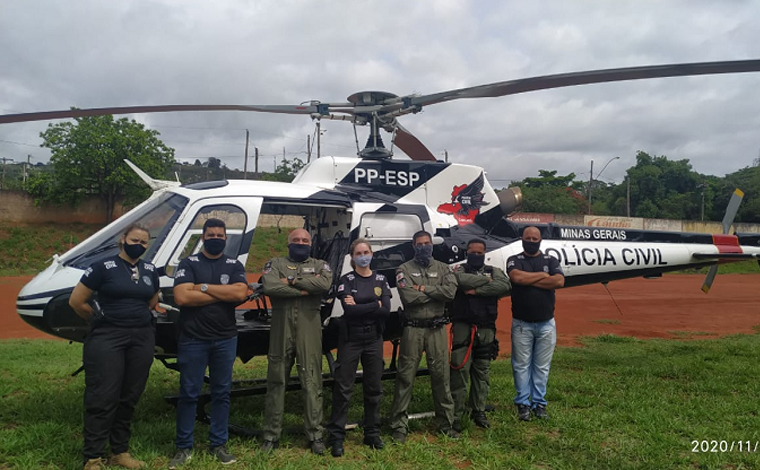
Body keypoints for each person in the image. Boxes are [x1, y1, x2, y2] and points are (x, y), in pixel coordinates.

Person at [69, 223, 159, 470]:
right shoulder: (101, 267)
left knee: (129, 395)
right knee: (103, 395)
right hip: (108, 338)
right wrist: (102, 320)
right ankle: (93, 457)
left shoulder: (150, 269)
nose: (138, 245)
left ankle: (120, 452)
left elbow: (153, 300)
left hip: (141, 338)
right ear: (123, 239)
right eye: (134, 240)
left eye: (143, 242)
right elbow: (77, 301)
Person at [168, 218, 248, 468]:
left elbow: (240, 294)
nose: (215, 238)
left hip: (225, 338)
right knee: (189, 393)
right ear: (202, 237)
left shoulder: (234, 264)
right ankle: (183, 447)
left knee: (221, 393)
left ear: (226, 238)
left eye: (220, 235)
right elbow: (181, 297)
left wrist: (201, 288)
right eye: (211, 234)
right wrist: (221, 294)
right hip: (193, 338)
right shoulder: (188, 262)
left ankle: (218, 444)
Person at [259, 228, 332, 455]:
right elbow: (270, 286)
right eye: (296, 240)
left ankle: (315, 434)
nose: (300, 243)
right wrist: (303, 288)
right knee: (276, 380)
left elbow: (323, 285)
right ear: (288, 243)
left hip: (309, 329)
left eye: (305, 240)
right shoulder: (275, 264)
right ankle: (271, 436)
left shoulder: (321, 265)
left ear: (310, 243)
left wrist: (290, 282)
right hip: (282, 328)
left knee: (311, 380)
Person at [389, 230, 458, 443]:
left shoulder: (443, 268)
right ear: (413, 246)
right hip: (413, 329)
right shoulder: (404, 269)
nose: (424, 247)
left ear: (432, 245)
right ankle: (398, 425)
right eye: (419, 244)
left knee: (441, 376)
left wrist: (422, 288)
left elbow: (450, 293)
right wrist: (433, 291)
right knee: (405, 377)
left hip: (437, 329)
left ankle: (446, 423)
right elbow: (408, 297)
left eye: (427, 243)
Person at [326, 239, 391, 457]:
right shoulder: (346, 280)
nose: (363, 255)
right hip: (351, 340)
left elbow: (387, 310)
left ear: (372, 254)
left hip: (374, 339)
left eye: (366, 252)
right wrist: (376, 304)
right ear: (352, 257)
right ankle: (336, 437)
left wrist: (364, 305)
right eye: (358, 253)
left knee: (374, 388)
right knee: (343, 388)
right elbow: (350, 311)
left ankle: (372, 432)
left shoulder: (381, 279)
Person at [449, 238, 511, 431]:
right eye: (472, 252)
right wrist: (487, 282)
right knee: (459, 370)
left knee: (482, 370)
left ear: (485, 253)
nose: (476, 255)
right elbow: (459, 280)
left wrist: (475, 290)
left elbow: (505, 285)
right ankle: (456, 414)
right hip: (462, 327)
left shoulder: (495, 271)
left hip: (486, 328)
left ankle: (479, 410)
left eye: (479, 252)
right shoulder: (459, 270)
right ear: (466, 252)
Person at [506, 226, 564, 421]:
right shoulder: (514, 260)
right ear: (522, 239)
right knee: (521, 365)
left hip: (546, 323)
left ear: (540, 240)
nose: (531, 241)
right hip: (522, 323)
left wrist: (528, 280)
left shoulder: (550, 260)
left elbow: (558, 282)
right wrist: (543, 276)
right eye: (528, 238)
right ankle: (523, 403)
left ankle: (539, 403)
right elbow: (516, 277)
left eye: (534, 238)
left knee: (541, 366)